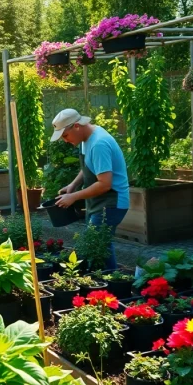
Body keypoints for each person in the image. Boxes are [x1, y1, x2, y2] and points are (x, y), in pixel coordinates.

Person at [51, 108, 129, 271]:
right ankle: (105, 284)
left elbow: (104, 184)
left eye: (65, 135)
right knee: (99, 246)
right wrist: (73, 185)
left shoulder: (99, 143)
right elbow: (90, 165)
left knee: (98, 247)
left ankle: (111, 287)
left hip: (112, 202)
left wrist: (74, 197)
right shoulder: (89, 137)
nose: (65, 140)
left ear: (77, 126)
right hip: (101, 201)